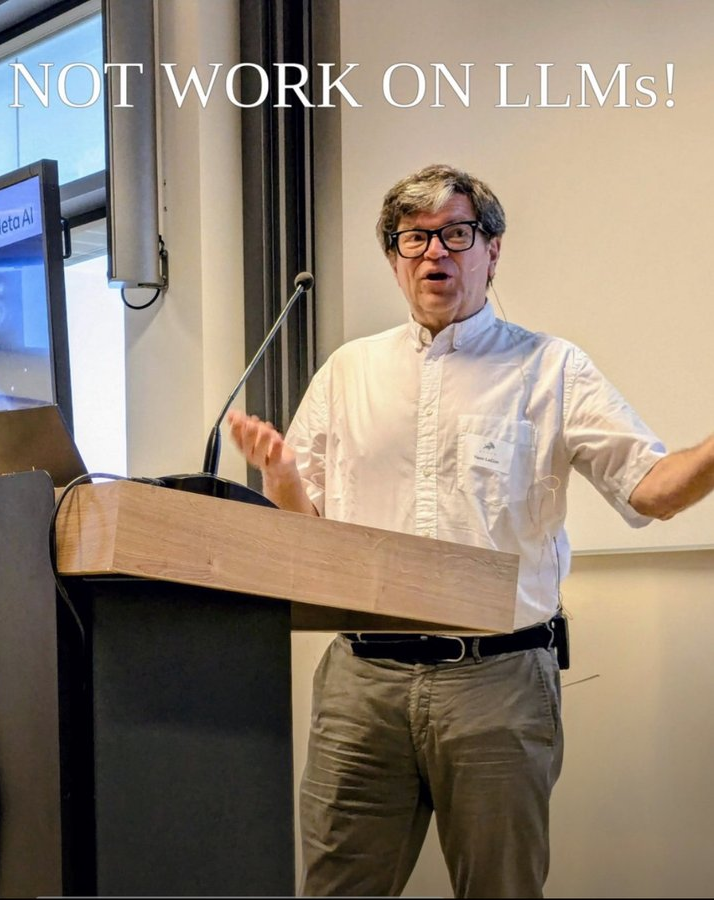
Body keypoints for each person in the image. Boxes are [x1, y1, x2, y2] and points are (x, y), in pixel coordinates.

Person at [227, 163, 714, 899]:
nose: (435, 252)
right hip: (363, 682)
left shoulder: (551, 368)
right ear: (393, 258)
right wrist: (284, 479)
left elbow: (653, 490)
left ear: (492, 250)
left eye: (456, 234)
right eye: (414, 238)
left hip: (498, 680)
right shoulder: (348, 371)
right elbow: (311, 543)